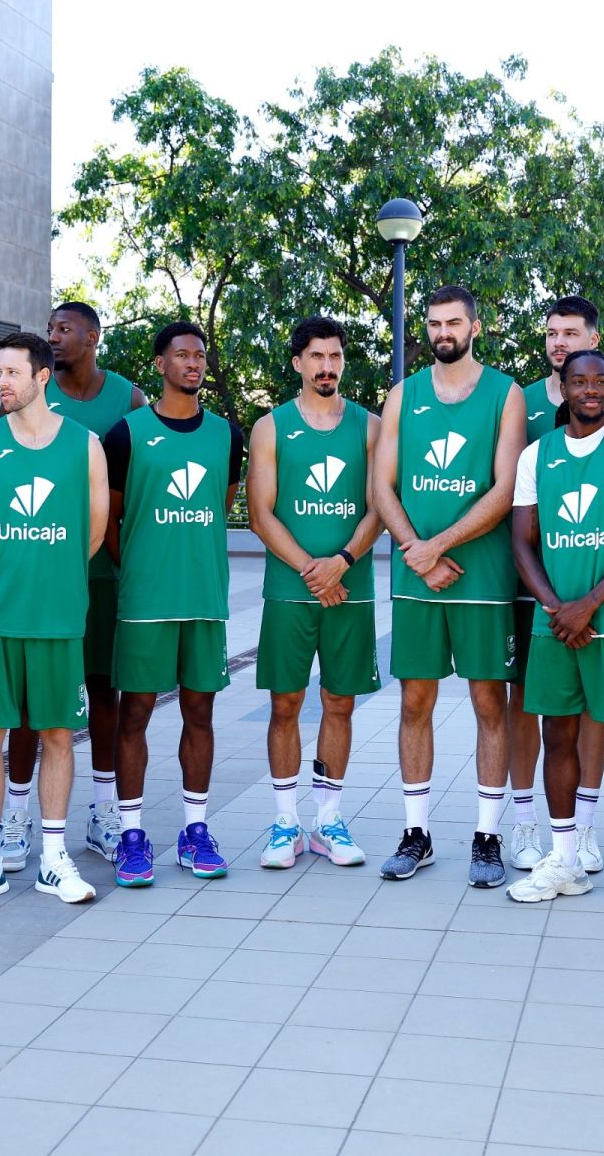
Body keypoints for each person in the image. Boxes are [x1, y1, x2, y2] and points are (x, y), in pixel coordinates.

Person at [0, 333, 109, 908]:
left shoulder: (85, 446)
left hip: (59, 617)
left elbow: (91, 534)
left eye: (11, 372)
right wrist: (8, 574)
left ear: (41, 378)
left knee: (59, 734)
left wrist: (48, 575)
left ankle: (53, 859)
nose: (1, 383)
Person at [370, 285, 526, 887]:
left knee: (491, 703)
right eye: (434, 323)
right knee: (415, 701)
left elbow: (504, 487)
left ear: (475, 327)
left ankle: (486, 838)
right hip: (418, 576)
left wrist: (437, 546)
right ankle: (417, 834)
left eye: (453, 322)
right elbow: (382, 487)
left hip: (480, 576)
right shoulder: (402, 395)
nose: (443, 332)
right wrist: (417, 550)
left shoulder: (503, 393)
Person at [506, 350, 604, 922]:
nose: (590, 390)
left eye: (600, 381)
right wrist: (556, 608)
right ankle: (565, 860)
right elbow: (522, 541)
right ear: (564, 388)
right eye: (579, 382)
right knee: (558, 738)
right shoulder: (536, 455)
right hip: (555, 624)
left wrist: (589, 606)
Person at [104, 322, 246, 887]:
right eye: (182, 355)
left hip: (204, 599)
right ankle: (132, 835)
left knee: (201, 714)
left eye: (200, 355)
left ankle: (194, 831)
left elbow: (222, 505)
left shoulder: (227, 436)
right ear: (160, 364)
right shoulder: (127, 434)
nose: (194, 363)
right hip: (144, 600)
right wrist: (137, 566)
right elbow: (111, 519)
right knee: (134, 714)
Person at [246, 316, 383, 869]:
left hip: (351, 585)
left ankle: (328, 820)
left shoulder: (369, 427)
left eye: (335, 356)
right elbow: (260, 514)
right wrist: (311, 569)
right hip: (292, 589)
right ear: (298, 362)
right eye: (316, 357)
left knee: (340, 701)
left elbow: (380, 507)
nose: (327, 366)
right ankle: (285, 823)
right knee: (286, 703)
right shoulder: (270, 427)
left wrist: (342, 562)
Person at [47, 300, 148, 862]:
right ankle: (17, 815)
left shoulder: (128, 397)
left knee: (106, 690)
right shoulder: (37, 394)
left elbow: (138, 485)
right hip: (49, 569)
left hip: (106, 567)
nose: (54, 338)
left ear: (92, 337)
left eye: (64, 330)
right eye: (50, 330)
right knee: (42, 698)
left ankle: (104, 810)